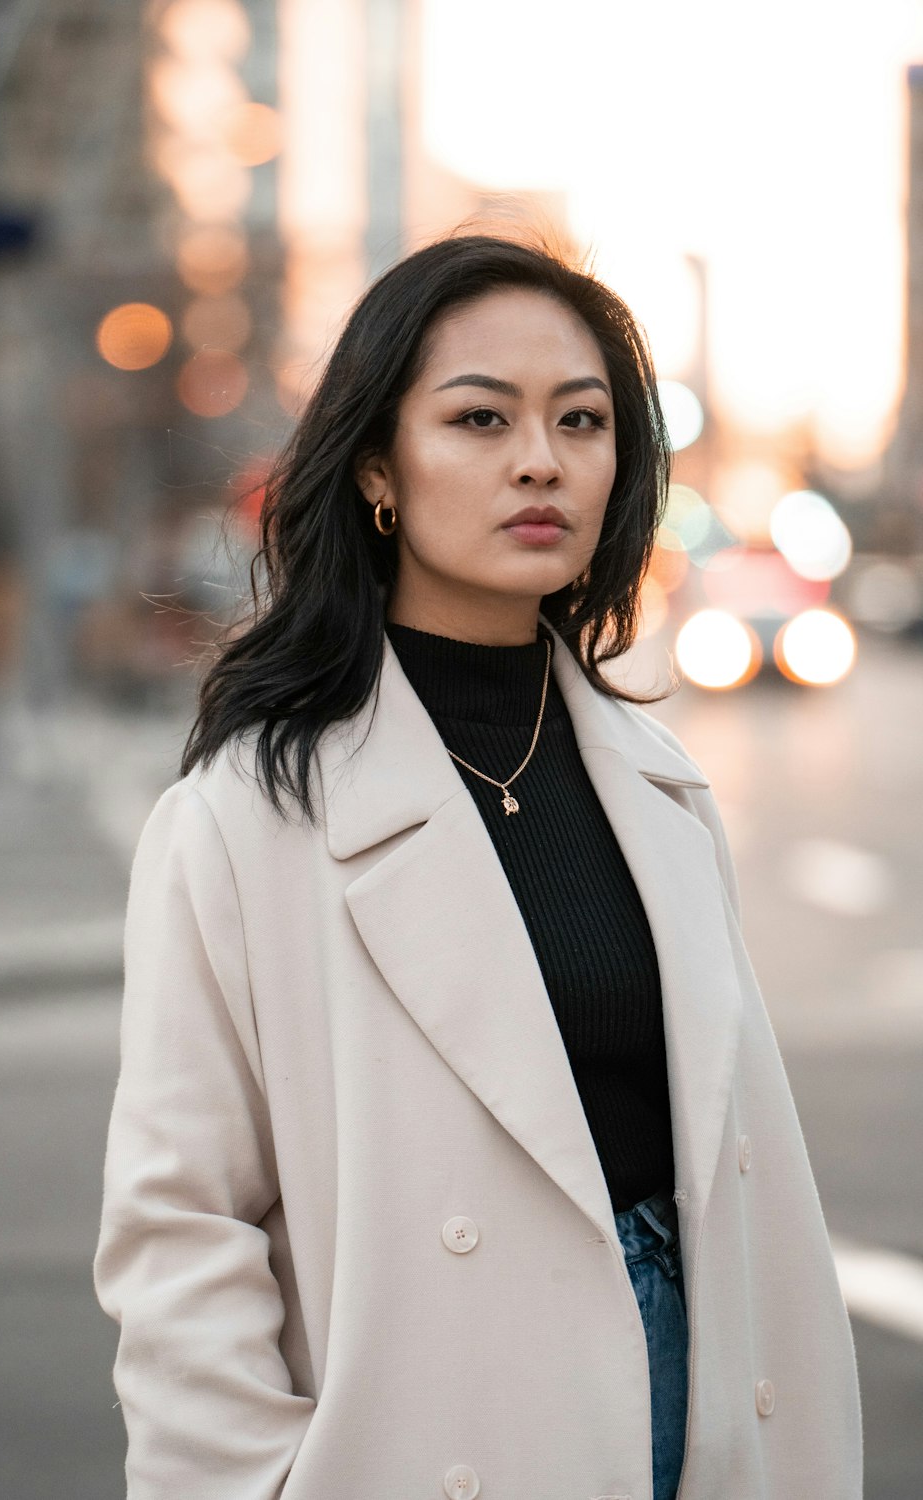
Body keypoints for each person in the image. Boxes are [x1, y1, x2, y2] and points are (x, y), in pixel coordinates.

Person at [93, 233, 862, 1500]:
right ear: (380, 468)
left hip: (708, 1402)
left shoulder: (659, 782)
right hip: (440, 1426)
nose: (539, 460)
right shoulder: (243, 815)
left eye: (581, 420)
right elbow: (181, 1230)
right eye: (478, 418)